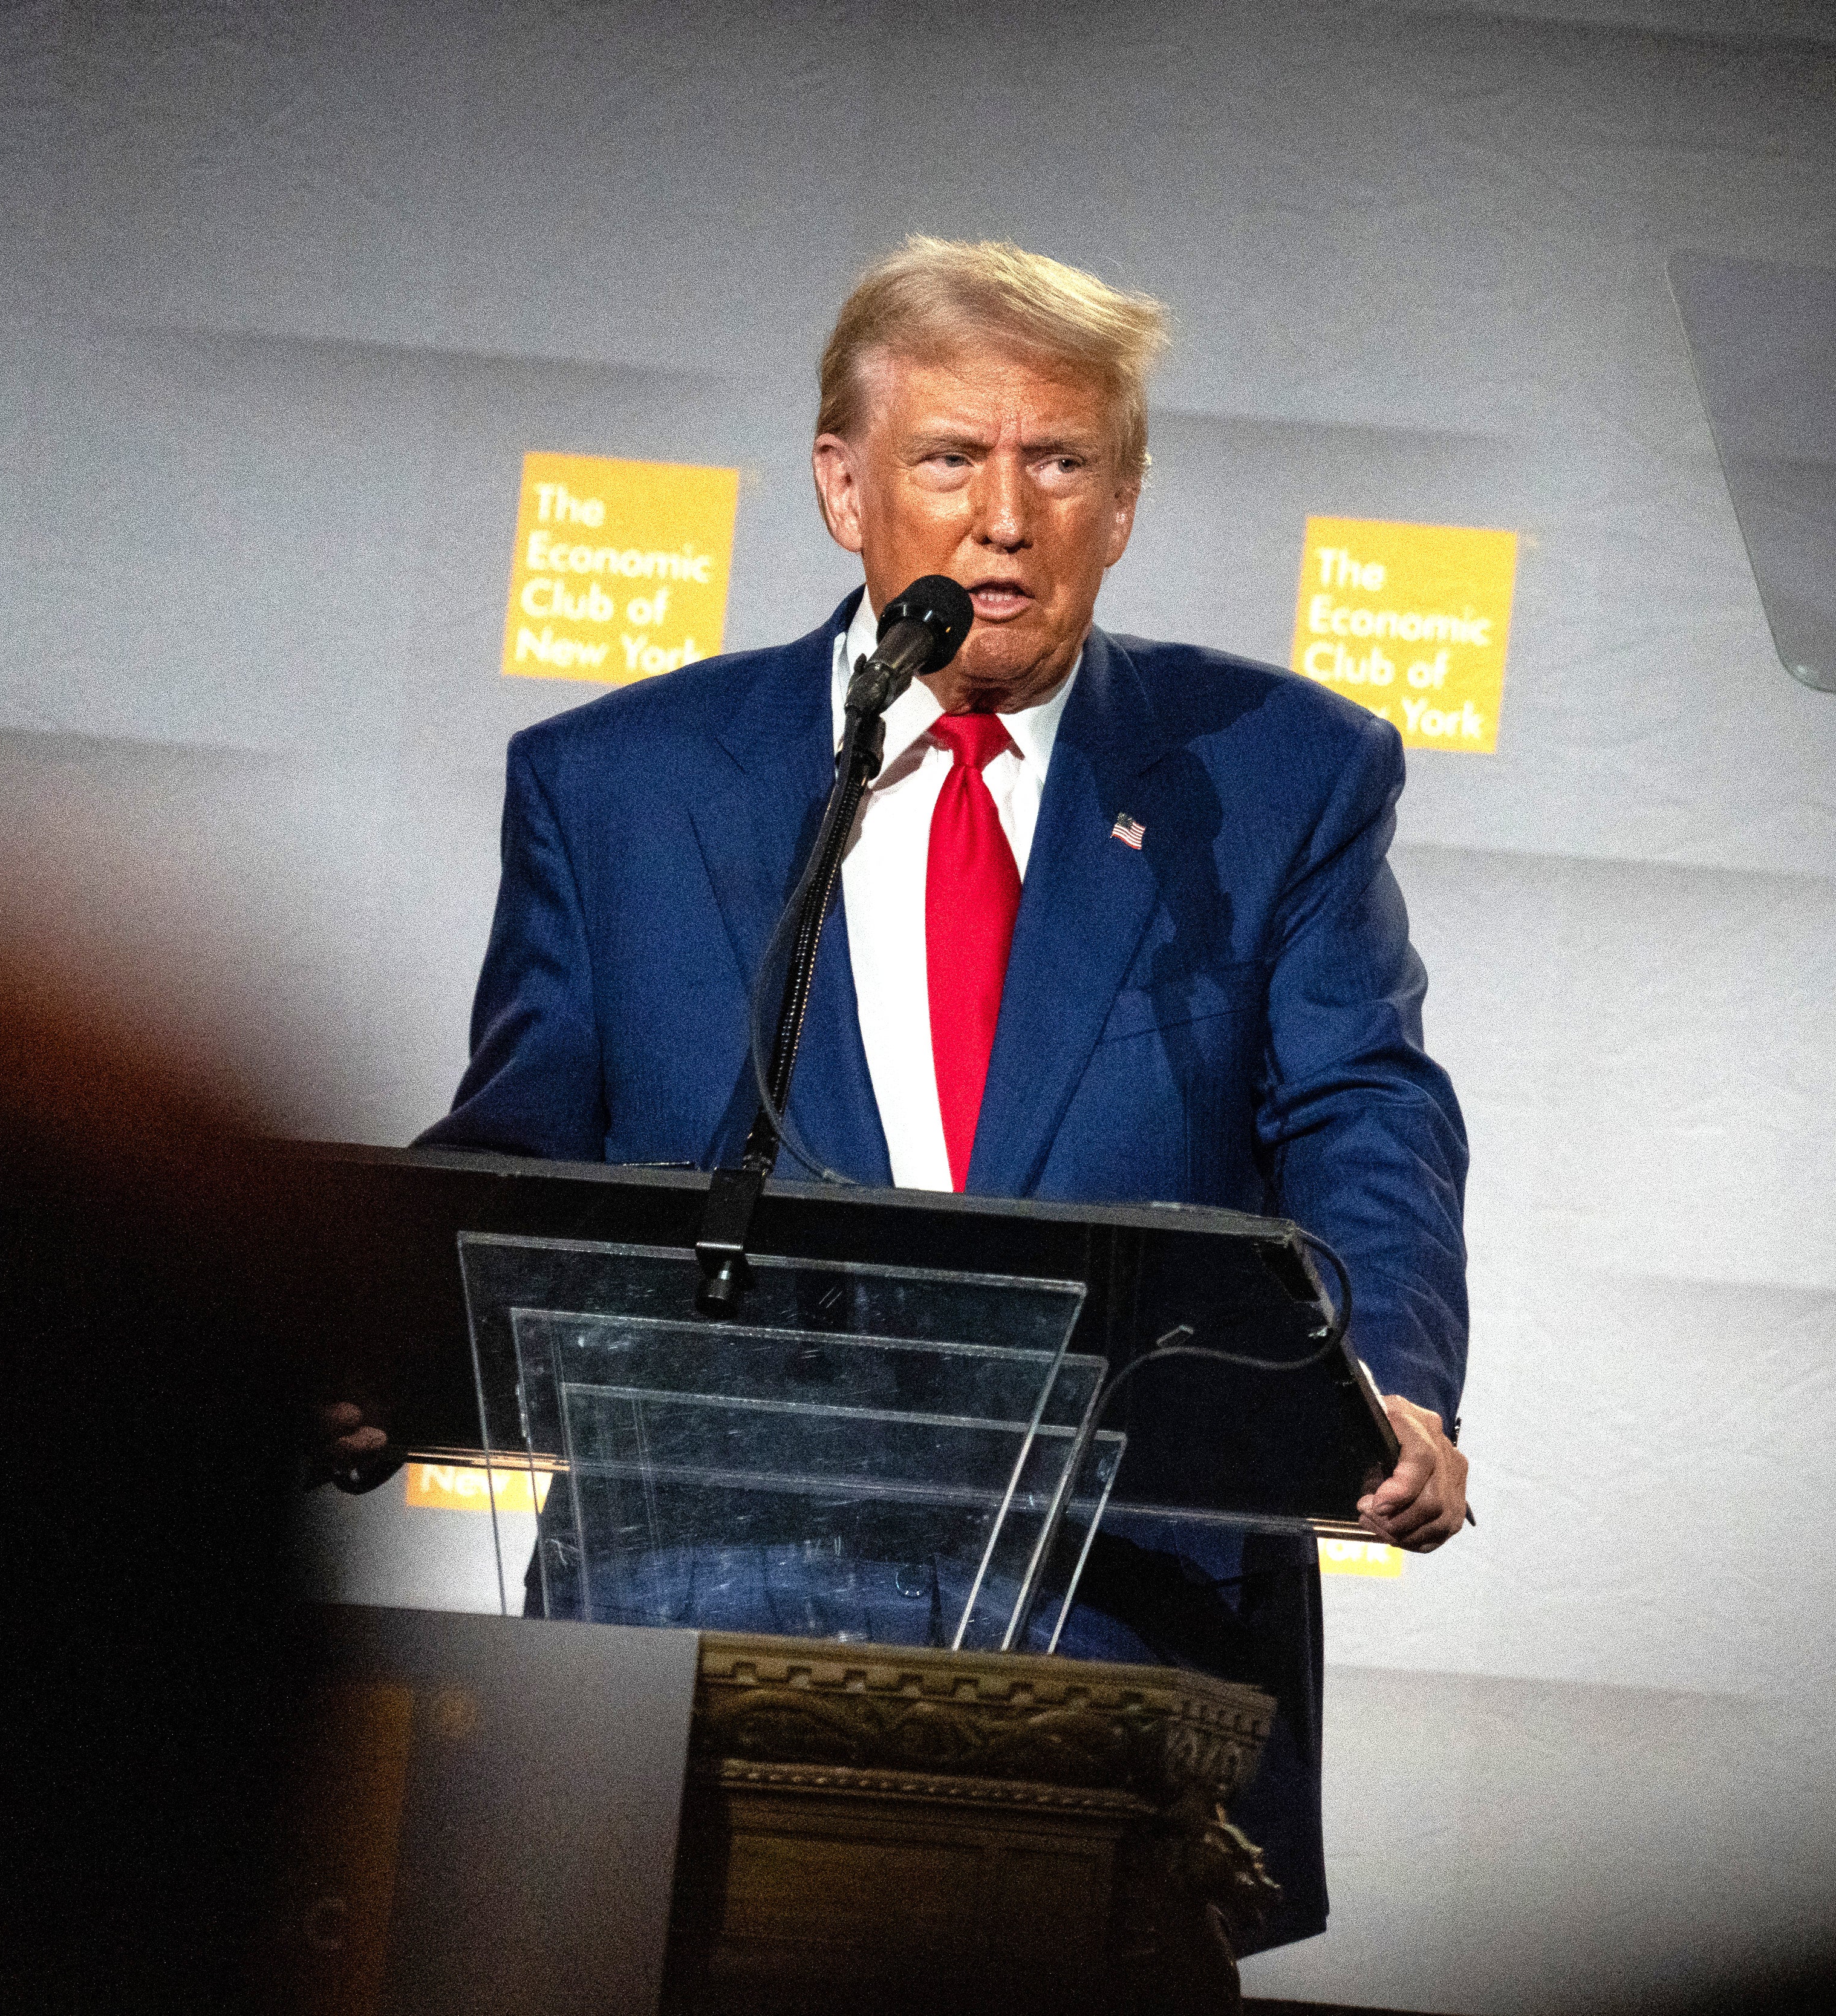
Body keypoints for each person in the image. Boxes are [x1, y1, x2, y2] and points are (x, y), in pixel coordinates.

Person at [415, 236, 1471, 1950]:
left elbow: (1365, 1108)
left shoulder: (1278, 776)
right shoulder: (618, 788)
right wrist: (364, 1341)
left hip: (1117, 1628)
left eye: (1059, 462)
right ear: (842, 485)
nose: (1006, 517)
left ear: (1123, 501)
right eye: (948, 460)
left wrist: (1389, 1384)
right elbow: (520, 1148)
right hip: (699, 1605)